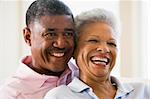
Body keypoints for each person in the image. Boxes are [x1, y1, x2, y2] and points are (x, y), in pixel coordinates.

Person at [44, 8, 150, 99]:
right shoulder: (59, 96)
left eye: (111, 43)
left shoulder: (143, 91)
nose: (104, 49)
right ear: (74, 50)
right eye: (93, 41)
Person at [0, 0, 78, 99]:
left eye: (68, 34)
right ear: (28, 37)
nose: (61, 44)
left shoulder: (82, 74)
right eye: (50, 34)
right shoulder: (12, 94)